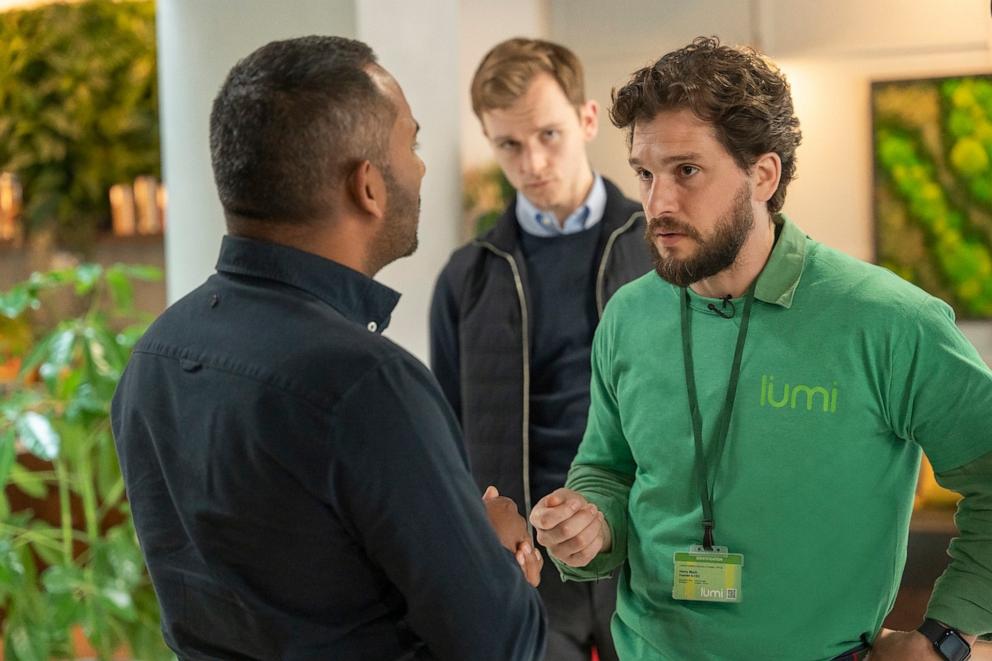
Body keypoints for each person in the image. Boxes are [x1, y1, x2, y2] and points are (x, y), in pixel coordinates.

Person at [530, 36, 992, 661]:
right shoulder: (628, 316)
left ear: (763, 174)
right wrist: (590, 525)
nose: (658, 203)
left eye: (687, 170)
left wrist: (945, 640)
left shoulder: (889, 321)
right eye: (645, 173)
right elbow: (607, 469)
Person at [111, 36, 546, 660]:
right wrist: (499, 553)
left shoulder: (155, 353)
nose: (421, 168)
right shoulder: (366, 385)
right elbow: (504, 646)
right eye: (412, 143)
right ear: (366, 186)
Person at [430, 38, 651, 661]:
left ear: (586, 120)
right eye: (509, 144)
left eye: (548, 135)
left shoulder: (658, 248)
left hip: (643, 551)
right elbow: (445, 429)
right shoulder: (466, 276)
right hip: (523, 566)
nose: (532, 161)